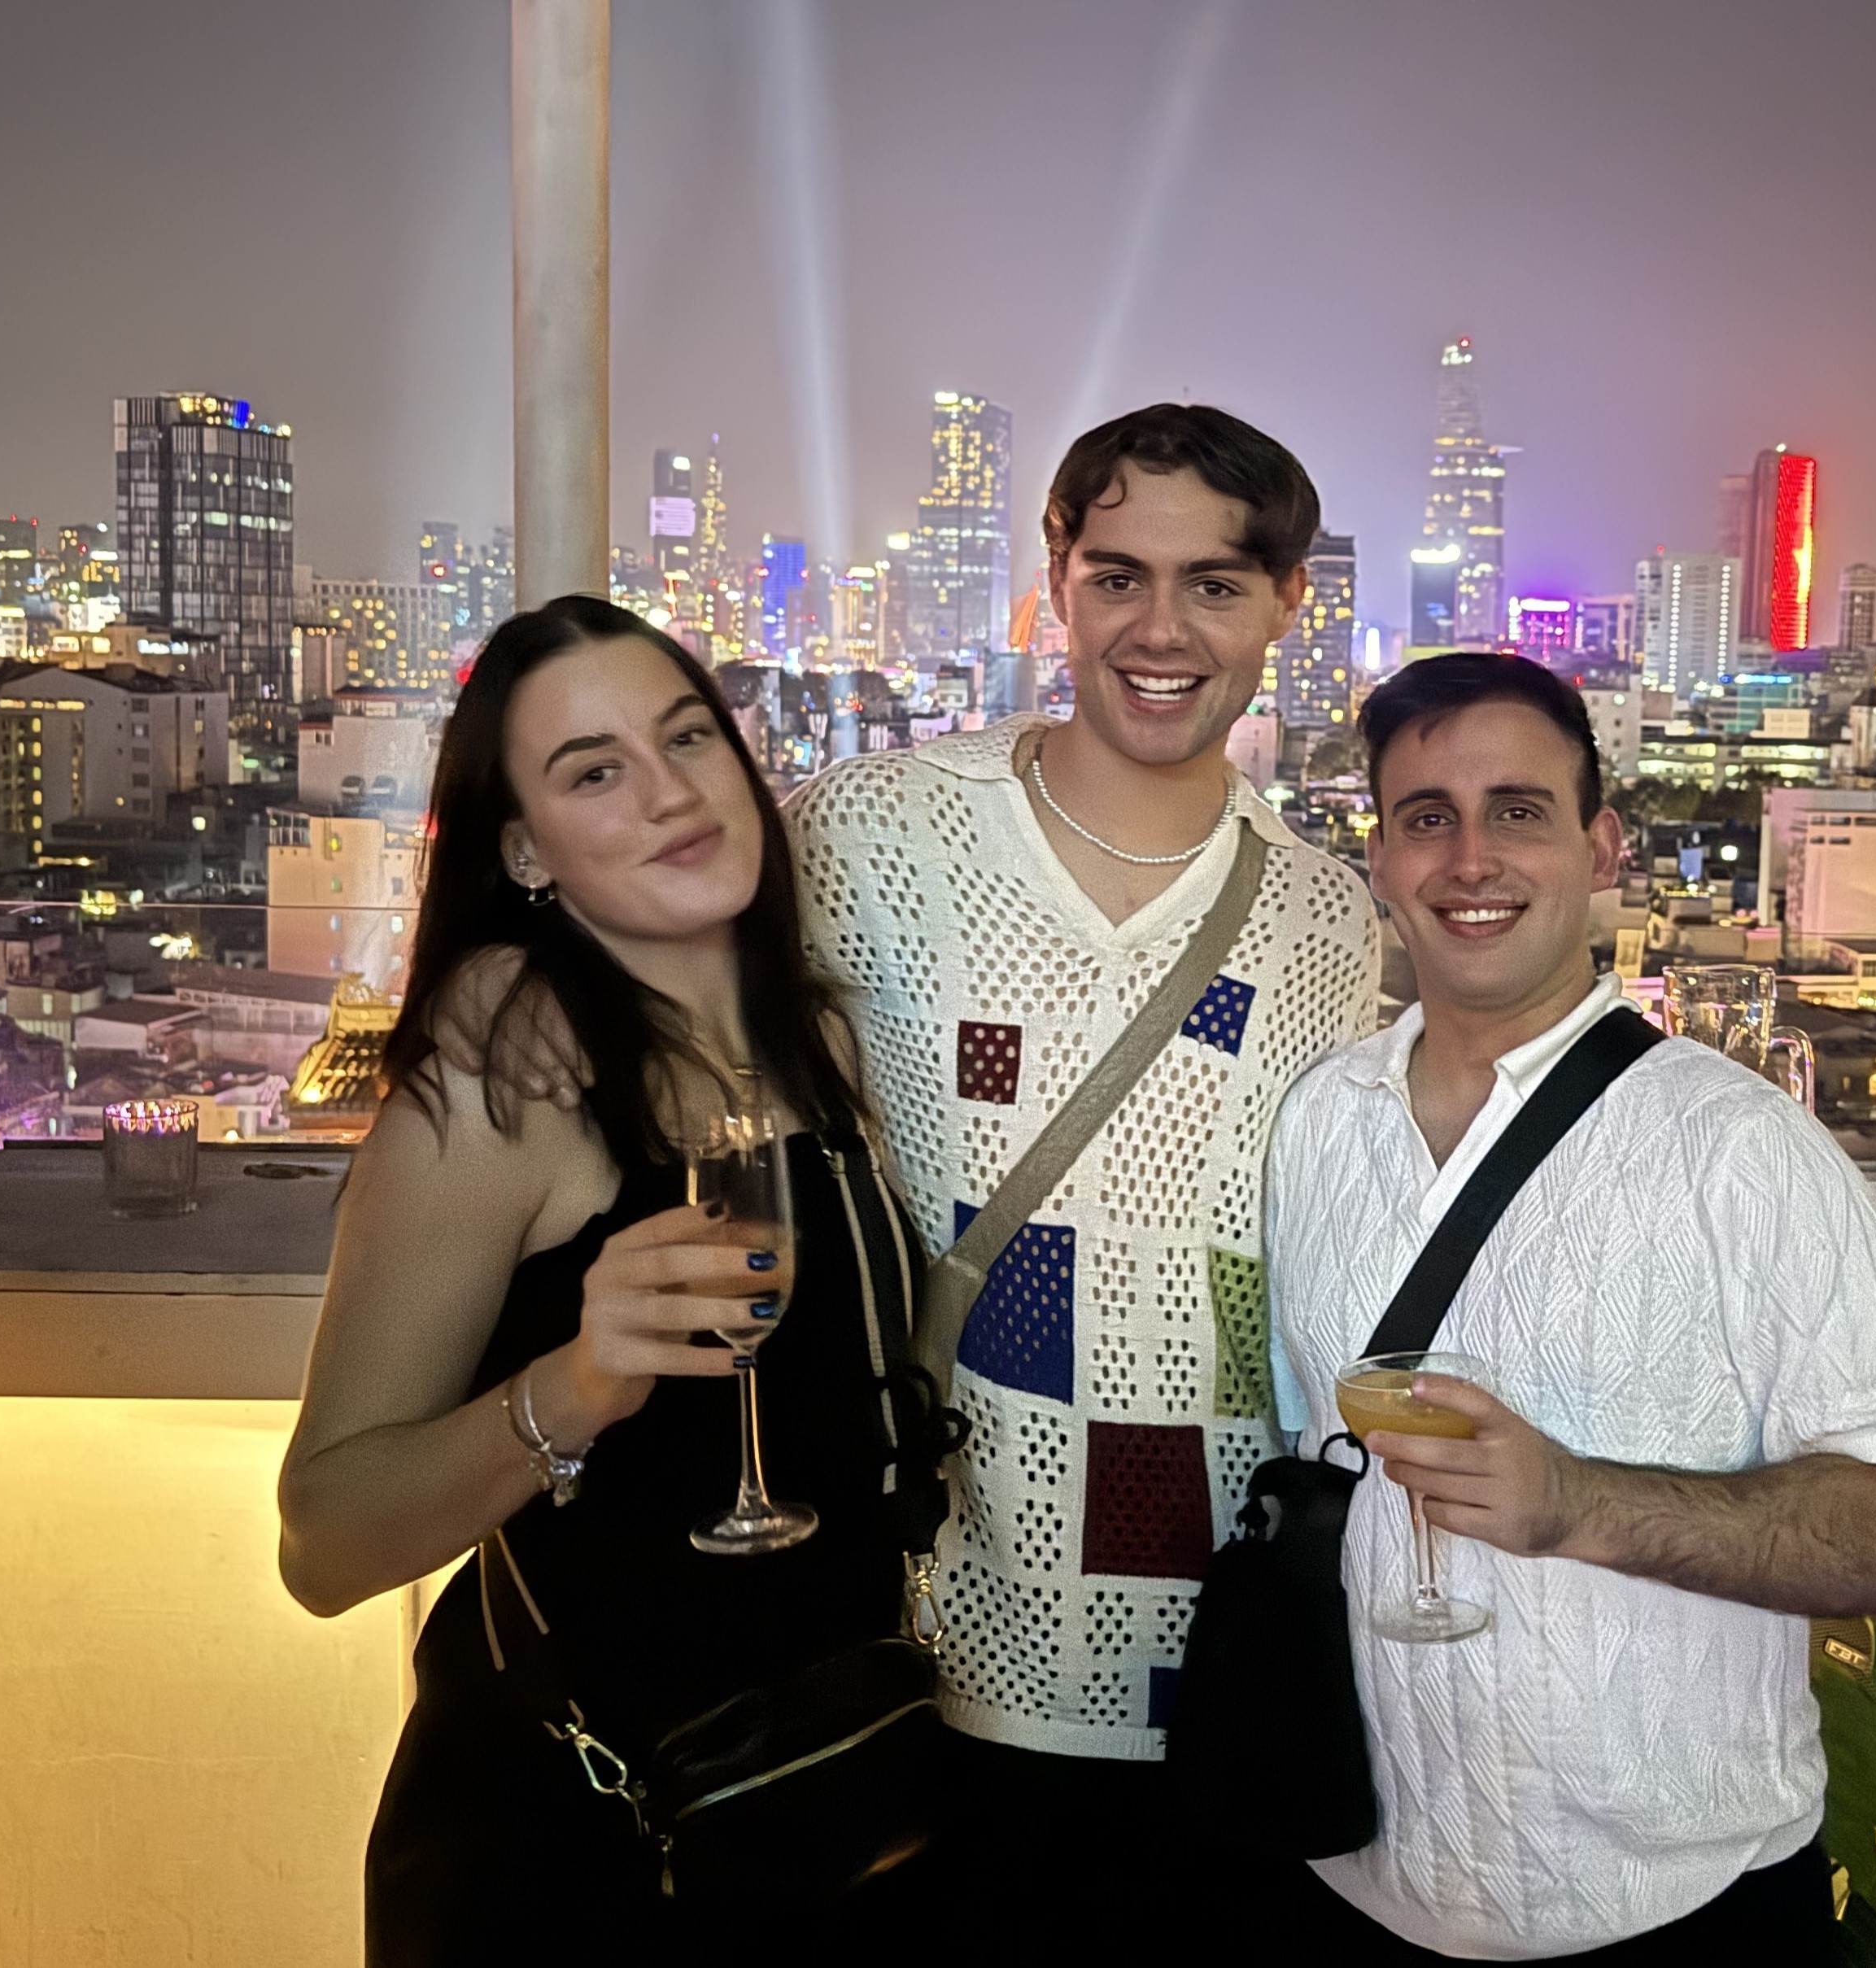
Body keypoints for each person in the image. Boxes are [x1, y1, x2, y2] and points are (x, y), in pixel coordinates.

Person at [434, 407, 1383, 1943]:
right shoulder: (874, 829)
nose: (1162, 626)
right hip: (923, 1651)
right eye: (1120, 573)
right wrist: (503, 984)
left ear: (1287, 605)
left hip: (1222, 1666)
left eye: (1218, 584)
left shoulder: (1329, 917)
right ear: (1054, 582)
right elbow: (673, 960)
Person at [1263, 654, 1876, 1963]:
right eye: (1427, 817)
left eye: (1519, 812)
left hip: (1676, 1913)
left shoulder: (1740, 1149)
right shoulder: (1318, 1125)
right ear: (1380, 859)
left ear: (1601, 848)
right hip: (1357, 1884)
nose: (1471, 858)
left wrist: (1581, 1505)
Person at [279, 596, 936, 1957]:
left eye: (687, 735)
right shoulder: (497, 1088)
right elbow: (325, 1546)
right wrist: (576, 1387)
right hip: (574, 1850)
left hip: (826, 1809)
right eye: (594, 771)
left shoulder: (822, 1044)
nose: (669, 792)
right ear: (523, 847)